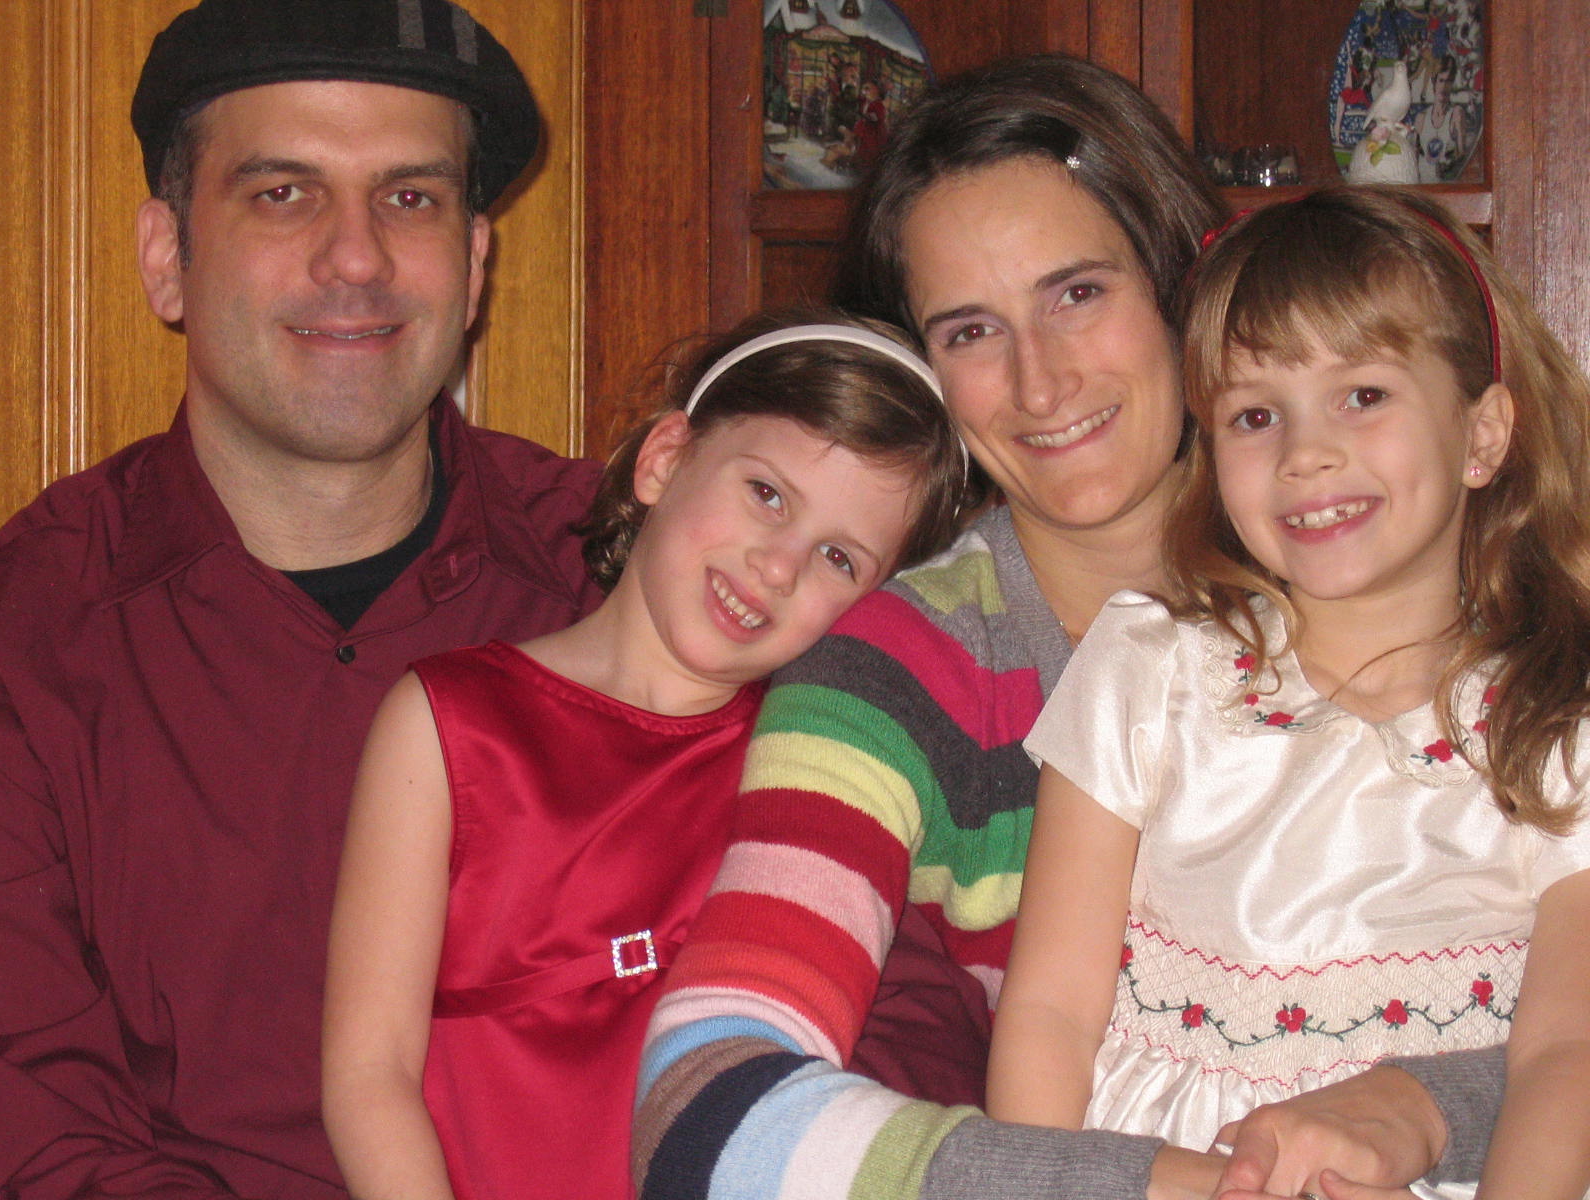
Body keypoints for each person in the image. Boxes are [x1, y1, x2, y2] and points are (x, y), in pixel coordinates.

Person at [632, 56, 1510, 1200]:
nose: (1039, 384)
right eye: (968, 331)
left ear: (1182, 289)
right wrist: (1194, 1190)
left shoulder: (1416, 578)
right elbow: (708, 1116)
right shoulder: (895, 674)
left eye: (1077, 294)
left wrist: (1426, 1106)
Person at [0, 3, 604, 1197]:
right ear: (166, 257)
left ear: (475, 264)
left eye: (410, 197)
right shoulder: (22, 639)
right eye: (283, 194)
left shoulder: (633, 575)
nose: (356, 258)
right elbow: (34, 1132)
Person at [992, 185, 1590, 1200]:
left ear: (1483, 434)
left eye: (1363, 395)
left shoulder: (1556, 720)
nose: (1304, 453)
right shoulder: (1148, 668)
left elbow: (1565, 1055)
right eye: (1255, 415)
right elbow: (1049, 1010)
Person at [320, 312, 968, 1200]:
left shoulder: (820, 781)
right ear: (664, 460)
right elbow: (370, 1075)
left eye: (837, 558)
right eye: (767, 494)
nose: (779, 568)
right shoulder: (447, 726)